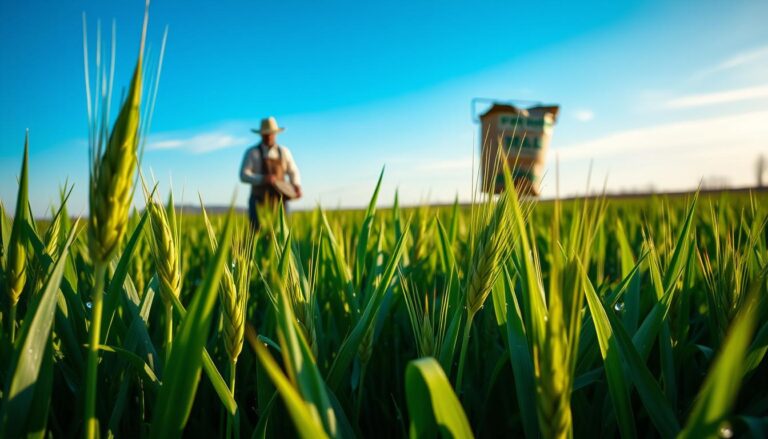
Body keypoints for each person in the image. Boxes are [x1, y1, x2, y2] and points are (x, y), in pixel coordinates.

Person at [239, 116, 302, 230]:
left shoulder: (284, 152)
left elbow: (293, 171)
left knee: (283, 232)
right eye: (265, 133)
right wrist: (262, 179)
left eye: (271, 133)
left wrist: (296, 185)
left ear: (275, 133)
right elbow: (243, 175)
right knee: (256, 233)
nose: (268, 136)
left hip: (281, 201)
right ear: (261, 134)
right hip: (258, 201)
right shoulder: (252, 153)